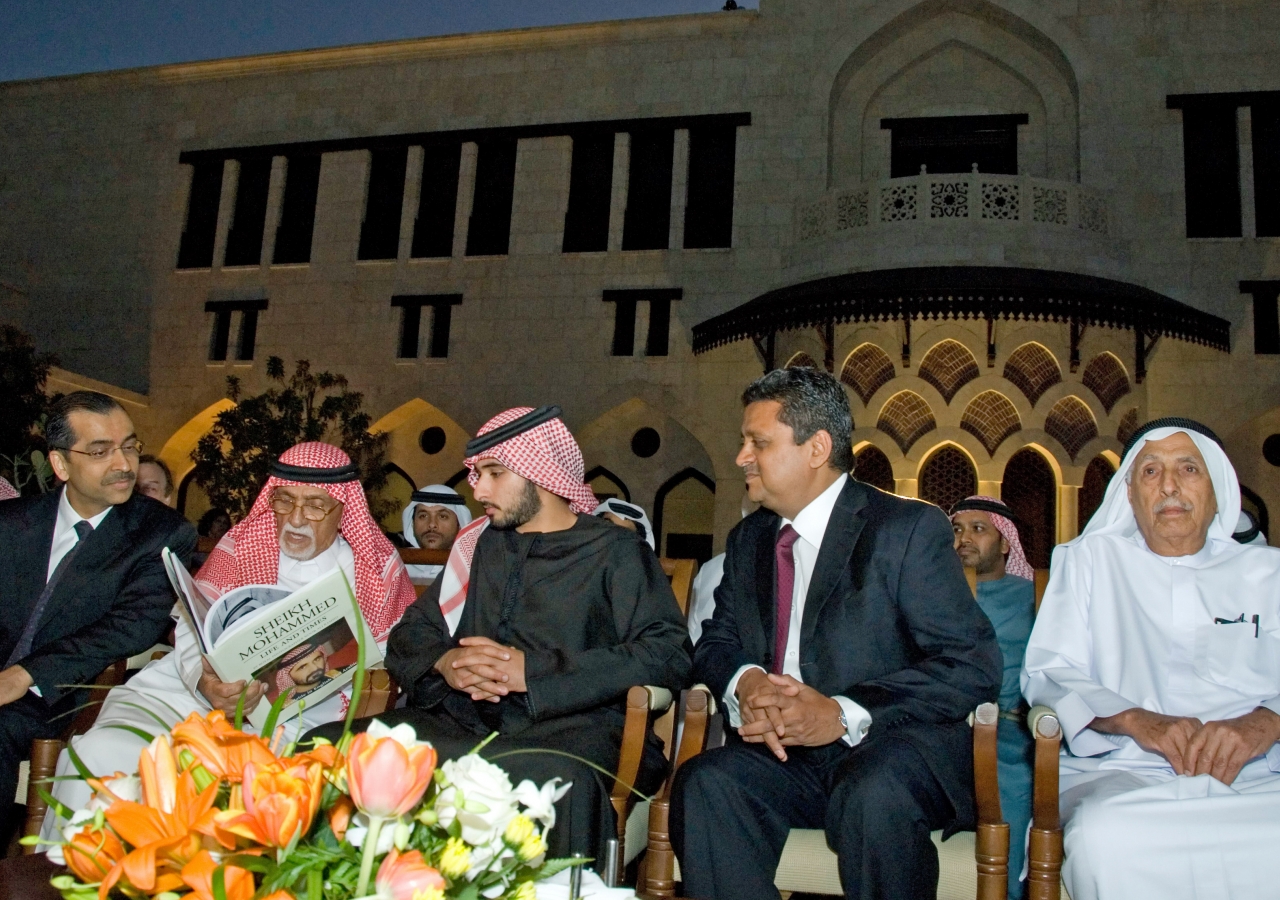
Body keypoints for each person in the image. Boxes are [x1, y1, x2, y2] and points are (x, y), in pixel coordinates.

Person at [670, 367, 1001, 900]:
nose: (741, 458)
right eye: (742, 443)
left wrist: (841, 713)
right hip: (786, 758)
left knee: (872, 793)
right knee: (706, 783)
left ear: (816, 447)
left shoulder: (905, 530)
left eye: (758, 442)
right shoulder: (750, 537)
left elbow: (971, 666)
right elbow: (714, 643)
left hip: (893, 748)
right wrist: (748, 683)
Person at [313, 405, 692, 866]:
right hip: (464, 722)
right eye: (477, 474)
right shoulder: (485, 544)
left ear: (543, 474)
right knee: (324, 748)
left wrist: (532, 672)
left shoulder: (616, 550)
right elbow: (412, 632)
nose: (479, 490)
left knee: (546, 777)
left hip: (573, 729)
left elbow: (667, 653)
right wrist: (445, 663)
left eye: (494, 473)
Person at [43, 441, 417, 826]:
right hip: (190, 696)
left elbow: (392, 650)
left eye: (316, 505)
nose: (297, 519)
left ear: (344, 509)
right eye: (285, 501)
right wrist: (204, 683)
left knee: (246, 783)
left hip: (303, 714)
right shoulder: (242, 545)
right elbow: (193, 628)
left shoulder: (373, 568)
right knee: (104, 749)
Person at [1023, 417, 1280, 900]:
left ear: (1217, 487)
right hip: (1125, 774)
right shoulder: (1089, 562)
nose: (1168, 486)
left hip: (1258, 777)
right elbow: (1048, 675)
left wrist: (1264, 724)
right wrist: (1135, 720)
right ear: (1129, 494)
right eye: (1149, 472)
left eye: (1188, 468)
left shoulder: (1270, 573)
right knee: (1109, 838)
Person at [0, 391, 195, 843]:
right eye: (100, 451)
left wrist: (23, 675)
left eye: (129, 446)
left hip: (62, 693)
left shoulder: (160, 533)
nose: (123, 464)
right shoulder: (12, 522)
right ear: (61, 464)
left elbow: (132, 625)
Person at [950, 495, 1037, 900]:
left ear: (1006, 544)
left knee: (1015, 783)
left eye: (978, 529)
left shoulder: (1033, 596)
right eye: (957, 529)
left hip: (1009, 733)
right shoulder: (932, 595)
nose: (964, 538)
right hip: (943, 727)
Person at [400, 485, 472, 583]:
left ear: (459, 524)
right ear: (412, 523)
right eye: (423, 516)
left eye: (442, 516)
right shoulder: (397, 565)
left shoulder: (473, 569)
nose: (432, 524)